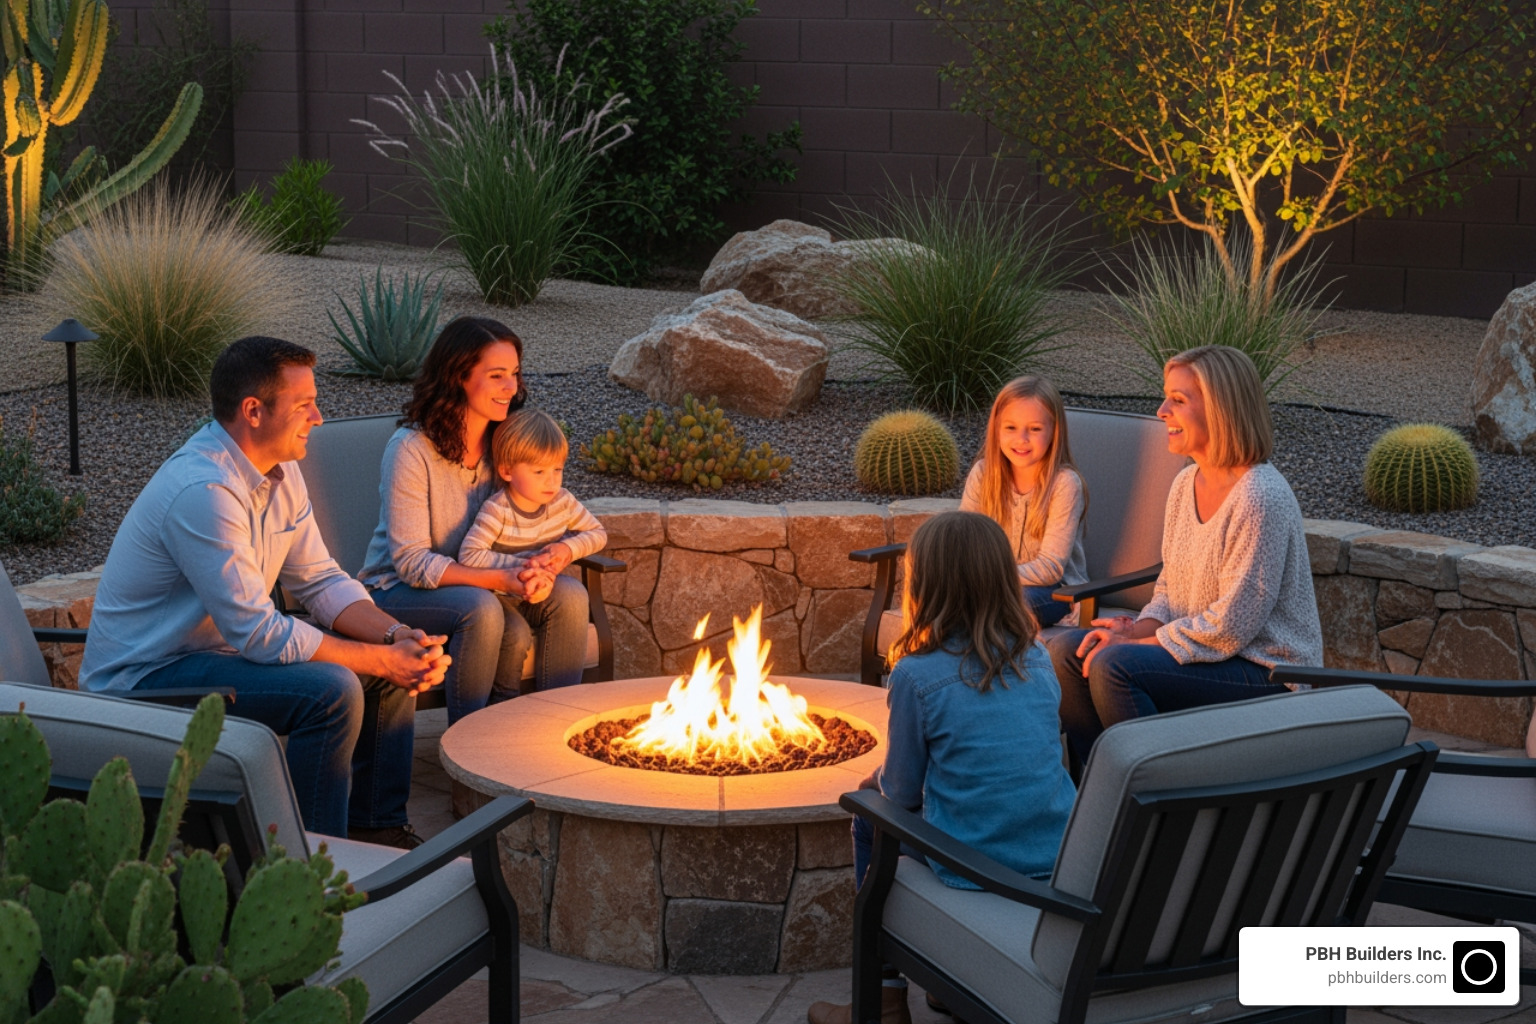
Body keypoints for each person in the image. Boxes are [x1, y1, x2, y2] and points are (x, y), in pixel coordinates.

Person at [80, 337, 450, 848]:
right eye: (304, 405)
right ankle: (308, 861)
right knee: (333, 692)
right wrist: (379, 659)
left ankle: (376, 828)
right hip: (144, 680)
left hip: (214, 657)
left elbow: (318, 579)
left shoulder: (282, 473)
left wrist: (395, 634)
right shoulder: (203, 492)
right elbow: (258, 632)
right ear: (253, 411)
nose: (318, 417)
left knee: (382, 662)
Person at [808, 511, 1076, 1024]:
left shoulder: (917, 674)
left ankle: (882, 998)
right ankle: (944, 986)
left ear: (924, 587)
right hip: (1053, 855)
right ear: (1002, 580)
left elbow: (902, 793)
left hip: (974, 864)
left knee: (869, 816)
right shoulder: (1038, 658)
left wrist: (875, 786)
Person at [1046, 345, 1323, 767]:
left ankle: (1152, 797)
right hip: (1210, 653)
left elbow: (1231, 627)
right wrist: (1137, 628)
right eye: (1165, 397)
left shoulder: (1259, 495)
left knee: (1114, 666)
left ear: (1221, 409)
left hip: (1268, 672)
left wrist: (1135, 642)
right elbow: (1169, 589)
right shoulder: (1185, 483)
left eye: (1178, 400)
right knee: (1072, 652)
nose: (1161, 411)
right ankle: (1094, 796)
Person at [360, 316, 589, 723]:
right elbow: (411, 562)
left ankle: (555, 733)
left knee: (570, 596)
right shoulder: (412, 450)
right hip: (399, 588)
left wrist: (543, 565)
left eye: (515, 374)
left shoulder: (507, 442)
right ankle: (470, 761)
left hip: (487, 582)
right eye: (497, 375)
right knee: (484, 610)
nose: (511, 387)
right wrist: (500, 580)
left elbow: (543, 517)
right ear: (459, 377)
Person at [458, 409, 606, 699]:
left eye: (557, 470)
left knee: (575, 595)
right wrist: (526, 566)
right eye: (539, 472)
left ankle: (558, 707)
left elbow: (597, 533)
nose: (551, 482)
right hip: (499, 597)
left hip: (540, 591)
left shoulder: (563, 503)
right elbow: (470, 556)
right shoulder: (497, 509)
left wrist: (566, 549)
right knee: (516, 637)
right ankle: (505, 709)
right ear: (507, 471)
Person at [960, 374, 1088, 626]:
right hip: (992, 585)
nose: (1021, 439)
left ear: (1054, 431)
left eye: (1035, 429)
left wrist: (988, 576)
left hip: (1056, 592)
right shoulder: (984, 474)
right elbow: (964, 541)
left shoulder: (1065, 484)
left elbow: (1050, 568)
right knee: (948, 599)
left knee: (998, 606)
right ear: (996, 429)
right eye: (1010, 428)